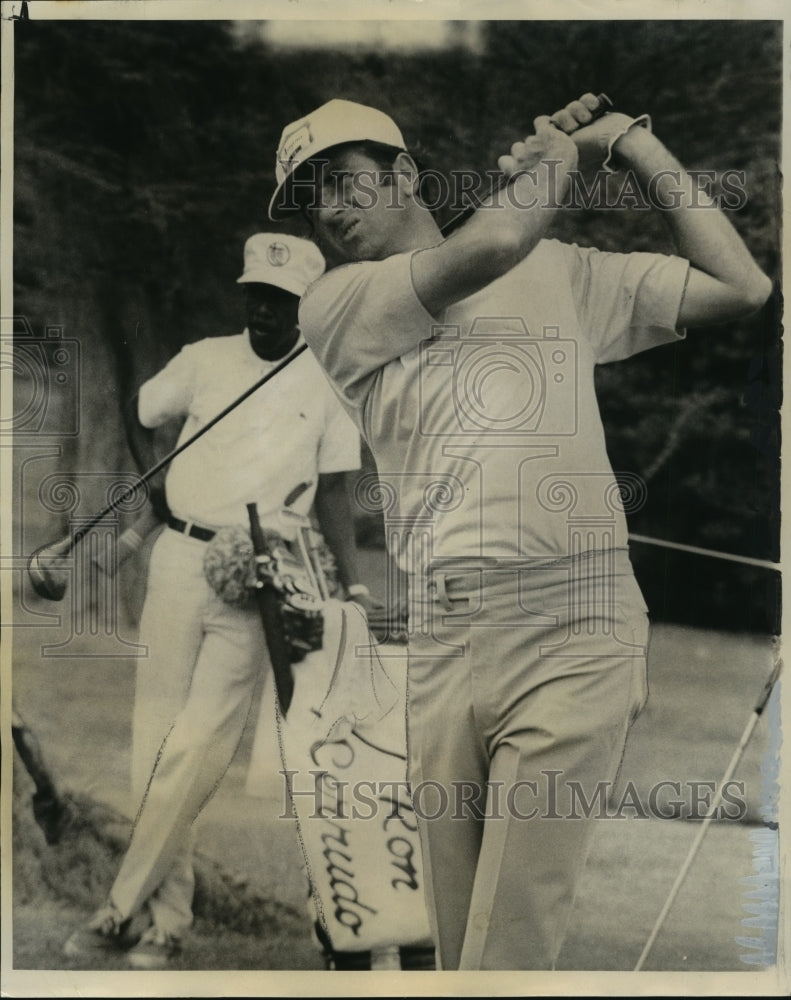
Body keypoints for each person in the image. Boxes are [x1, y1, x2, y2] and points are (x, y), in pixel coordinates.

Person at [267, 95, 772, 970]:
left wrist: (628, 141)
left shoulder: (563, 270)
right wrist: (554, 166)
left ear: (404, 174)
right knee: (460, 949)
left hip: (575, 625)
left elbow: (742, 286)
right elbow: (495, 244)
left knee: (508, 951)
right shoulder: (334, 303)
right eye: (310, 199)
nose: (330, 211)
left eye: (342, 183)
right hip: (443, 637)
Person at [64, 232, 376, 969]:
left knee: (200, 747)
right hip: (176, 559)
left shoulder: (327, 381)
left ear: (307, 308)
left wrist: (354, 582)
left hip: (259, 579)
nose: (265, 313)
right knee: (154, 750)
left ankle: (118, 908)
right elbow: (146, 419)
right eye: (256, 298)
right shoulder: (204, 358)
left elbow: (334, 491)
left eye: (282, 302)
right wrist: (165, 497)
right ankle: (169, 921)